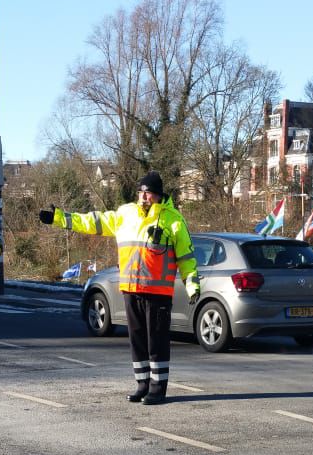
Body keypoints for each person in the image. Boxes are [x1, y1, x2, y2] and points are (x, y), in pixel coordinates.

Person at [39, 171, 199, 405]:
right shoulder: (126, 214)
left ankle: (158, 388)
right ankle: (142, 384)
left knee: (156, 341)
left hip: (158, 293)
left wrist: (192, 285)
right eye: (141, 192)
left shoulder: (173, 220)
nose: (144, 197)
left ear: (159, 195)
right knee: (137, 340)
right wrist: (59, 218)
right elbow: (93, 221)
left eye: (149, 193)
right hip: (131, 289)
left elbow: (186, 257)